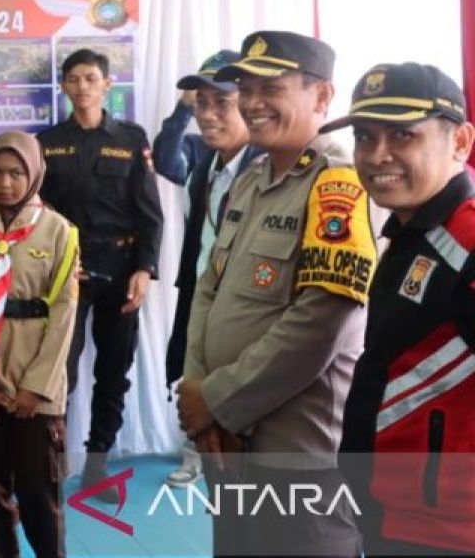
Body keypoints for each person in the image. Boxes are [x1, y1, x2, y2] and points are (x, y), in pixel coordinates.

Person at [179, 31, 376, 557]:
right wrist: (197, 387)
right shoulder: (249, 179)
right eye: (246, 86)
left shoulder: (338, 185)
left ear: (321, 97)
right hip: (228, 441)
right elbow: (208, 290)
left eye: (272, 87)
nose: (252, 102)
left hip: (293, 453)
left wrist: (217, 400)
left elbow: (320, 326)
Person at [330, 63, 475, 556]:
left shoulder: (467, 238)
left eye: (403, 135)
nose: (377, 155)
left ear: (460, 143)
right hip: (396, 512)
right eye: (365, 137)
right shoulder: (411, 233)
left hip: (447, 529)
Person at [36, 48, 163, 501]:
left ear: (107, 84)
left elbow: (150, 213)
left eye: (91, 78)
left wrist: (145, 270)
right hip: (66, 271)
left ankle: (97, 464)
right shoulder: (47, 142)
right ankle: (52, 467)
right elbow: (38, 211)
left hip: (120, 270)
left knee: (113, 373)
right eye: (73, 79)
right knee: (58, 373)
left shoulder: (130, 138)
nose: (82, 86)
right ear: (64, 86)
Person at [0, 131, 79, 558]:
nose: (5, 183)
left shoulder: (59, 232)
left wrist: (35, 387)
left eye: (16, 173)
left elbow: (63, 316)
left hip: (34, 387)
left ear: (35, 173)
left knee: (38, 488)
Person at [153, 51, 262, 488]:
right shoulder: (202, 163)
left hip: (245, 314)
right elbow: (164, 158)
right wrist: (182, 108)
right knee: (193, 382)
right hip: (200, 295)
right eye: (202, 103)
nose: (210, 115)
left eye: (223, 103)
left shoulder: (271, 169)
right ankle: (197, 450)